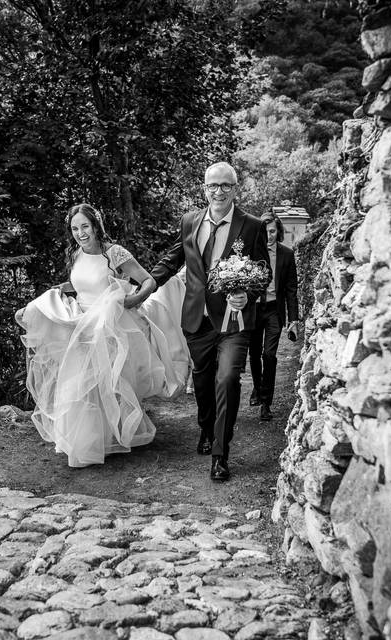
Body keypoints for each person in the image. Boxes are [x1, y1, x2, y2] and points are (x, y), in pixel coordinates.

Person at [16, 204, 189, 468]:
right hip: (81, 322)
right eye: (75, 228)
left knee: (105, 381)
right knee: (82, 382)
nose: (80, 233)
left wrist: (134, 300)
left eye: (85, 226)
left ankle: (112, 437)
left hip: (110, 324)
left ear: (96, 225)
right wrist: (59, 291)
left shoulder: (114, 252)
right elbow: (79, 285)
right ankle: (90, 440)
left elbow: (148, 281)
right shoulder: (75, 254)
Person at [150, 162, 270, 482]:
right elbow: (172, 260)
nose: (218, 192)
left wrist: (248, 295)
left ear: (235, 188)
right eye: (212, 186)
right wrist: (145, 286)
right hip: (197, 320)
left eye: (225, 186)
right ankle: (206, 427)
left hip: (234, 322)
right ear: (204, 189)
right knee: (203, 384)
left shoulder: (252, 225)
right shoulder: (190, 221)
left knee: (227, 380)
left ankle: (220, 454)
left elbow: (263, 271)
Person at [248, 211, 299, 422]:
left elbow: (291, 290)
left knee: (269, 355)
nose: (268, 235)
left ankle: (266, 402)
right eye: (264, 231)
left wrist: (293, 320)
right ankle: (258, 387)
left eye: (272, 231)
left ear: (277, 231)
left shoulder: (286, 254)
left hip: (273, 311)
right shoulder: (251, 253)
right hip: (253, 310)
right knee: (254, 353)